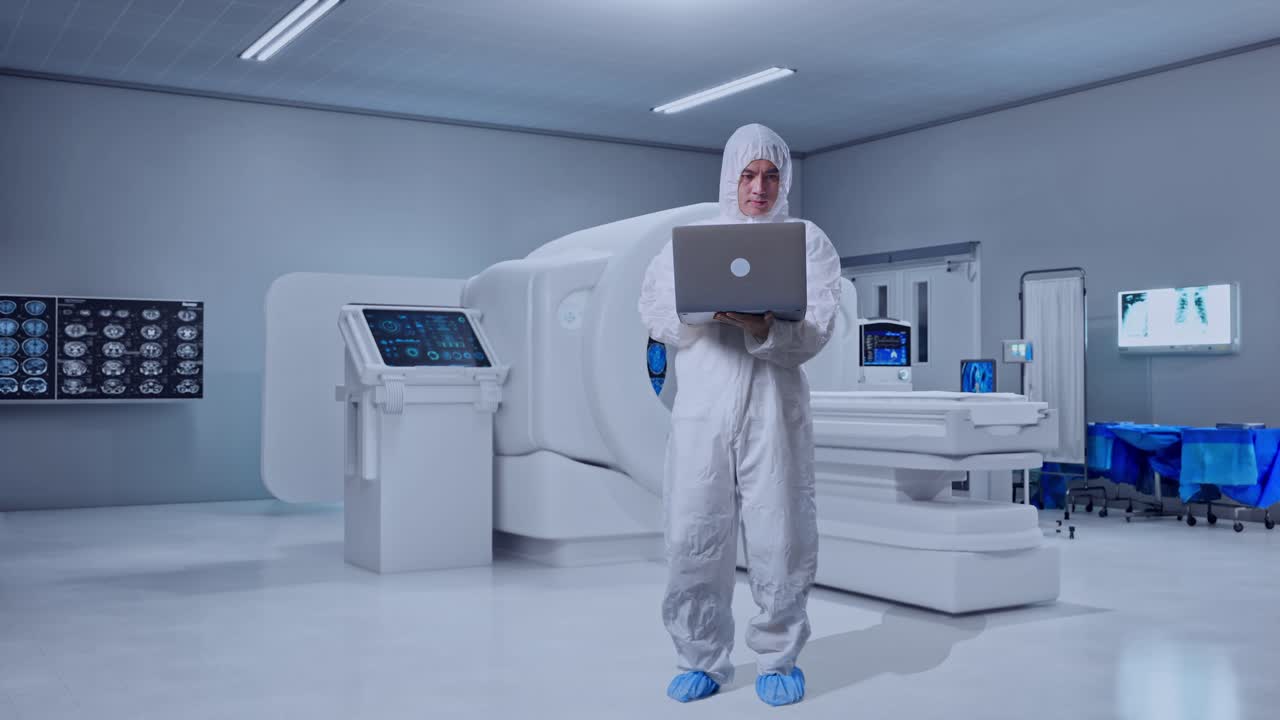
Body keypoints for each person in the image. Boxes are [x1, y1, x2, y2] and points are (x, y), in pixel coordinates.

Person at [637, 124, 843, 706]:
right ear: (731, 177)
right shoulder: (689, 241)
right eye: (748, 175)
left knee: (781, 533)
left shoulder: (808, 243)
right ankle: (700, 656)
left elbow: (820, 328)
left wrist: (764, 328)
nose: (759, 188)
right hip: (702, 409)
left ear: (786, 180)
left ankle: (777, 657)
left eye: (771, 176)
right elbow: (655, 311)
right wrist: (699, 314)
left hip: (775, 412)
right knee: (695, 532)